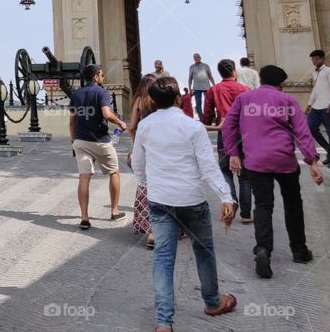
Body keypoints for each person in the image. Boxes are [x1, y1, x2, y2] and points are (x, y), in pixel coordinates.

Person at [132, 76, 238, 330]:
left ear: (153, 101)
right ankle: (212, 302)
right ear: (179, 98)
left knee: (163, 258)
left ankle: (163, 323)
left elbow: (138, 163)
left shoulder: (145, 126)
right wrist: (226, 196)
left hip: (160, 201)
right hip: (192, 199)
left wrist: (149, 185)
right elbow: (209, 167)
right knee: (204, 251)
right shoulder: (193, 127)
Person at [222, 64, 324, 279]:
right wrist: (312, 161)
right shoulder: (287, 101)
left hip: (256, 162)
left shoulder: (244, 99)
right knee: (293, 203)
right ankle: (299, 250)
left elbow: (229, 125)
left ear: (260, 79)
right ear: (280, 84)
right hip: (284, 160)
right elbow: (302, 132)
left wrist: (233, 153)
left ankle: (263, 249)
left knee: (263, 205)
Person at [69, 64, 127, 230]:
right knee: (114, 172)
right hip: (101, 141)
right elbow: (106, 114)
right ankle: (114, 211)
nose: (103, 77)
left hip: (80, 141)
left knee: (84, 177)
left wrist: (74, 141)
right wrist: (120, 122)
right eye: (101, 75)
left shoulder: (76, 95)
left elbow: (72, 121)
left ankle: (84, 217)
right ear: (95, 77)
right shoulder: (102, 93)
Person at [203, 59, 252, 224]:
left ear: (220, 73)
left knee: (225, 171)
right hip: (245, 134)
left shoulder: (214, 90)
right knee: (245, 175)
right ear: (234, 71)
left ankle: (231, 200)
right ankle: (246, 214)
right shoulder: (246, 90)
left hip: (224, 133)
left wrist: (210, 123)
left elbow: (208, 113)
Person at [128, 73, 157, 248]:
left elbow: (131, 127)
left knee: (146, 186)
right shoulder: (160, 100)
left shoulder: (139, 100)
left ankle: (150, 232)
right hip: (161, 148)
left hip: (144, 148)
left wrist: (136, 143)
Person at [305, 50, 330, 166]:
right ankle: (329, 150)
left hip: (327, 107)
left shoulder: (328, 71)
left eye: (316, 59)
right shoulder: (314, 73)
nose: (314, 61)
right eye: (313, 59)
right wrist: (309, 104)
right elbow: (314, 90)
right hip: (316, 107)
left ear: (322, 59)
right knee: (311, 128)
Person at [188, 53, 214, 122]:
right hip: (196, 88)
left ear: (200, 57)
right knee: (198, 103)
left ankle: (211, 117)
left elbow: (210, 76)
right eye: (195, 57)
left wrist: (214, 85)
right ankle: (202, 118)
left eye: (197, 57)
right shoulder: (191, 67)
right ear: (194, 59)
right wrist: (189, 87)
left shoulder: (206, 66)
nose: (196, 58)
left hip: (206, 87)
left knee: (209, 102)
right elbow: (190, 78)